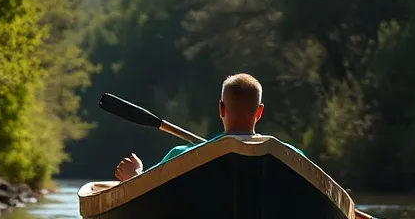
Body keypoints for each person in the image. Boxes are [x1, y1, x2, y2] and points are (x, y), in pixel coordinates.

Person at [114, 72, 286, 182]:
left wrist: (134, 175)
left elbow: (145, 191)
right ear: (260, 111)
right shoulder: (288, 156)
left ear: (221, 108)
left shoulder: (181, 155)